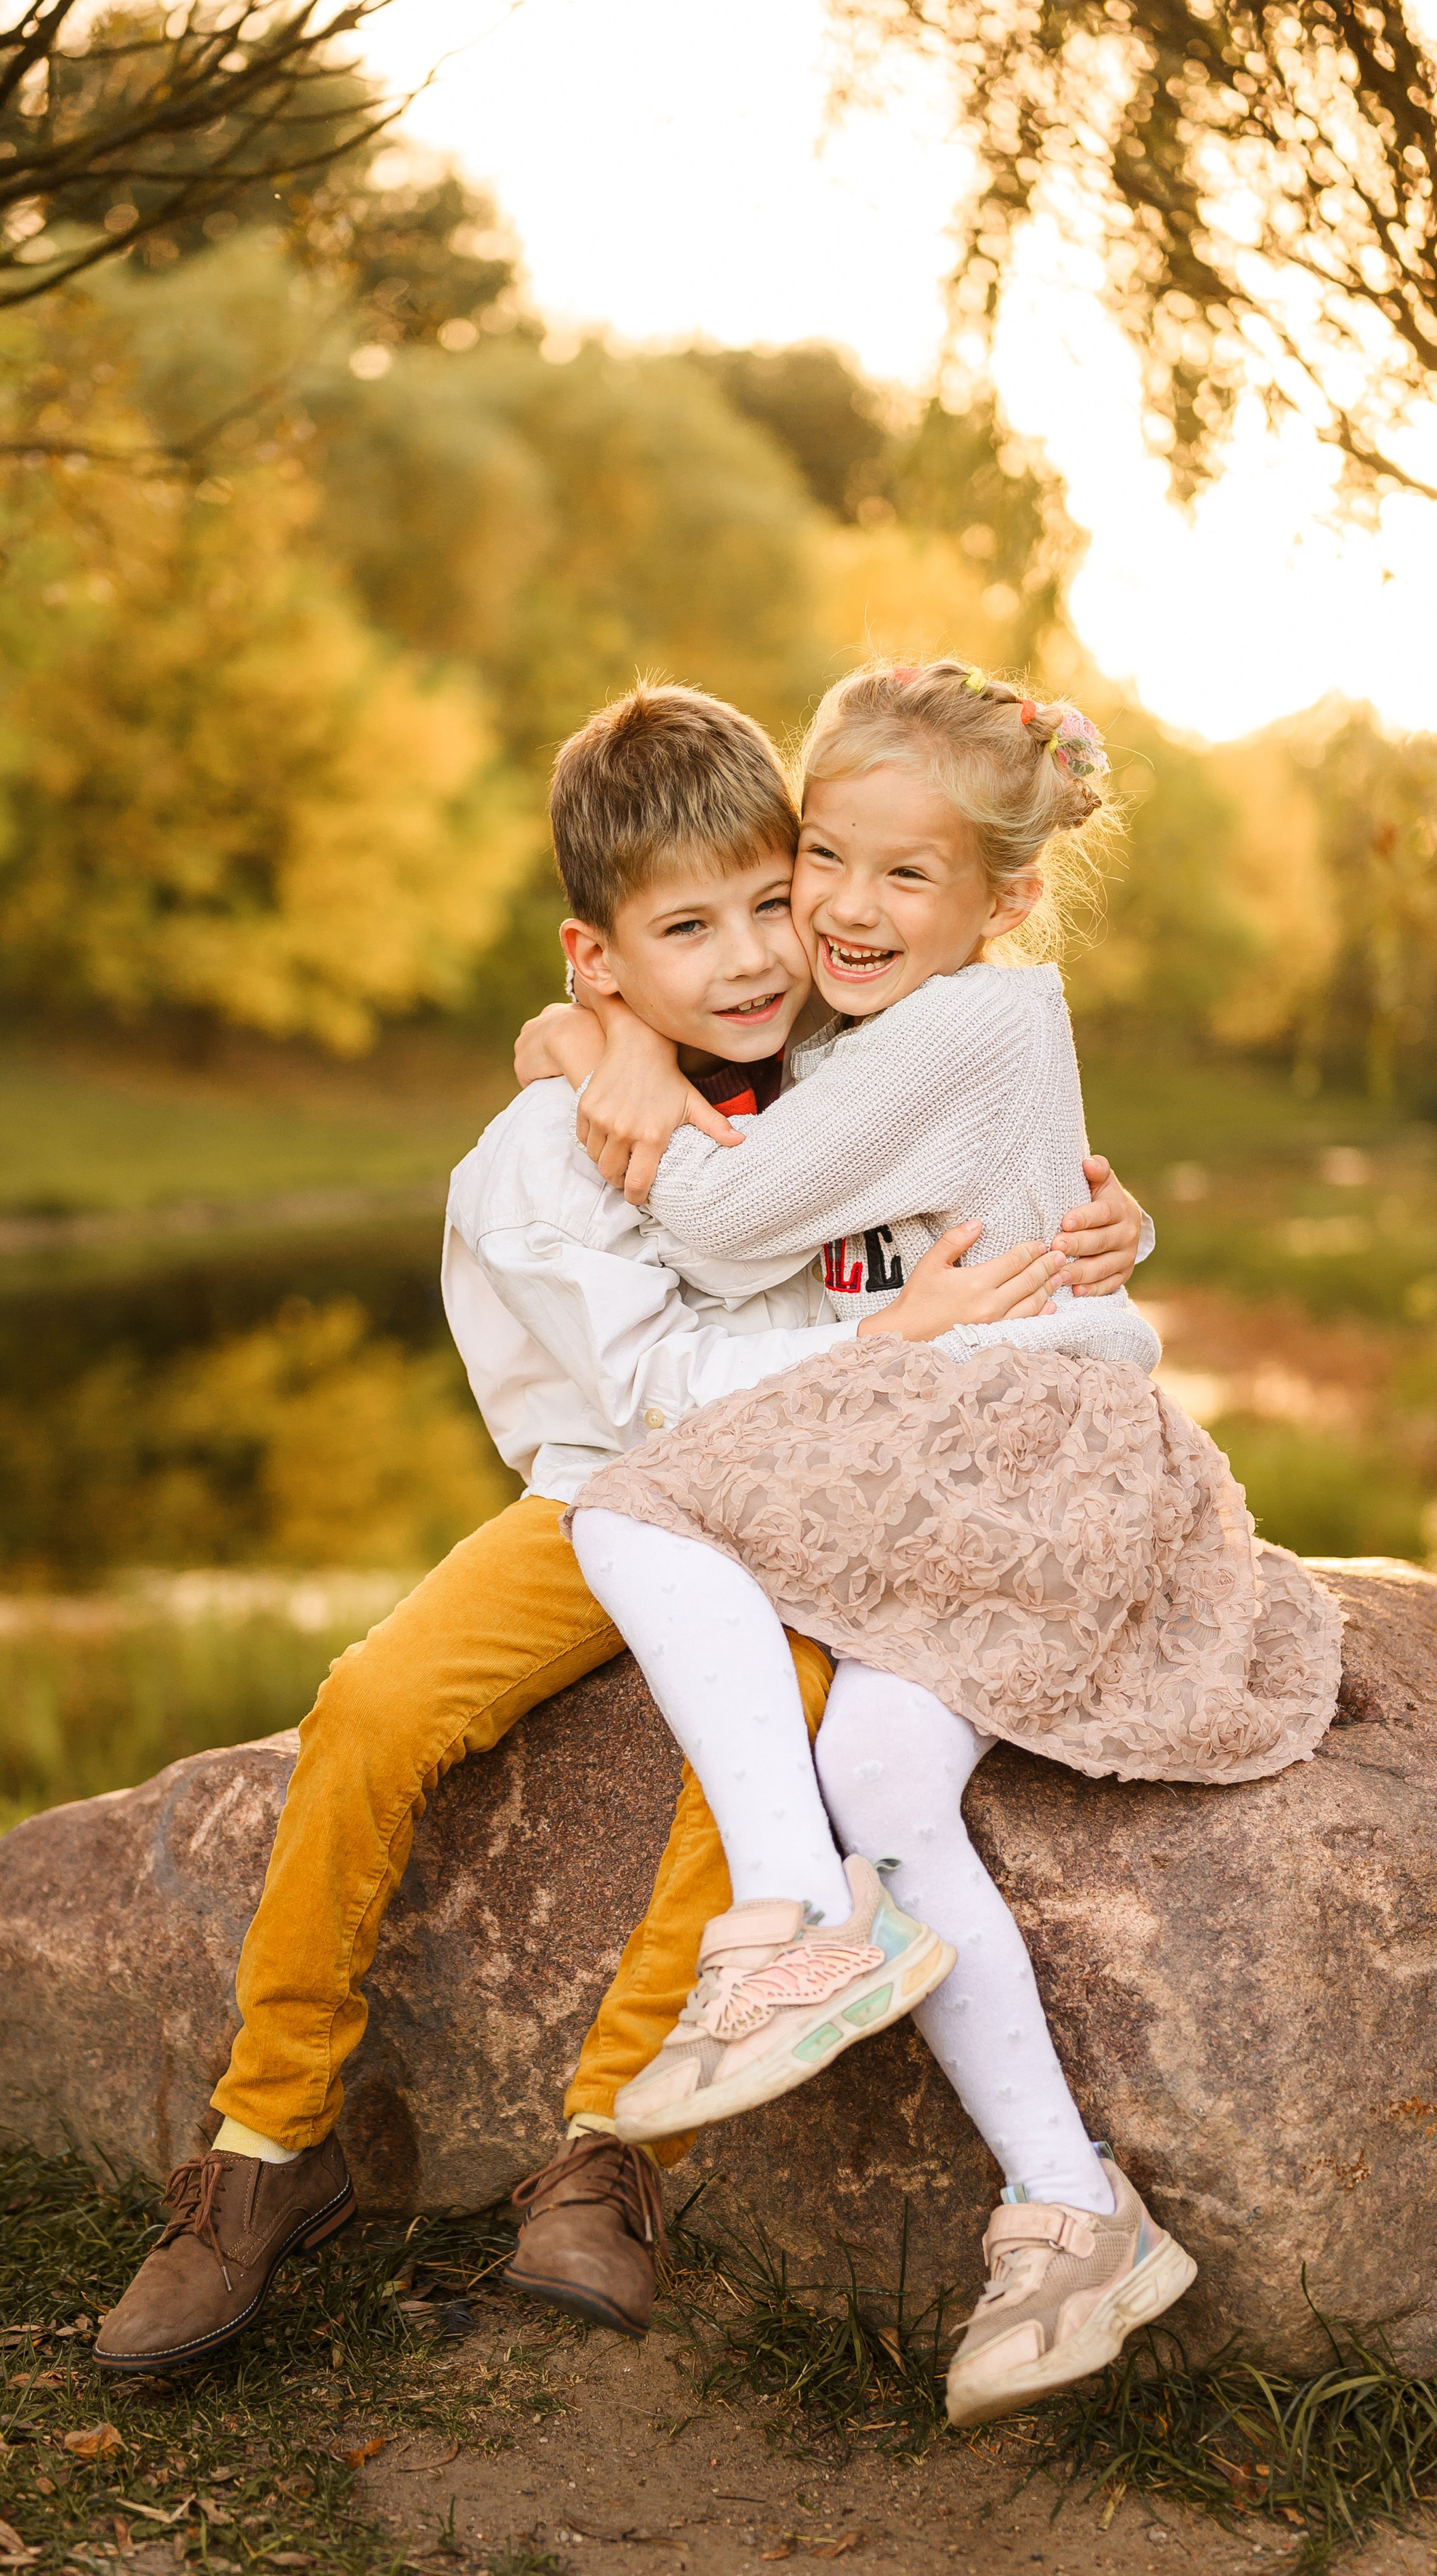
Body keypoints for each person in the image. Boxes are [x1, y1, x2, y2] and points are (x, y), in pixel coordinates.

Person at [92, 683, 1151, 2376]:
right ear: (597, 955)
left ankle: (613, 2153)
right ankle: (264, 2143)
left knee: (786, 1731)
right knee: (372, 1706)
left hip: (803, 1500)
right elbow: (660, 1399)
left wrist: (1098, 1231)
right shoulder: (545, 1149)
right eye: (685, 932)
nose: (749, 957)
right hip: (610, 1484)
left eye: (765, 905)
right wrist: (614, 1065)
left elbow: (990, 1161)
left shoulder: (835, 1060)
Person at [528, 657, 1342, 2423]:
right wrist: (590, 1029)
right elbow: (634, 1038)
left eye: (910, 875)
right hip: (991, 1470)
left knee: (628, 1500)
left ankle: (794, 1915)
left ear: (1006, 897)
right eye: (825, 855)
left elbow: (740, 1217)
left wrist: (634, 1099)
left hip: (1024, 1458)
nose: (844, 906)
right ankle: (1069, 2207)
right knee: (881, 1759)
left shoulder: (973, 1020)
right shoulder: (868, 1025)